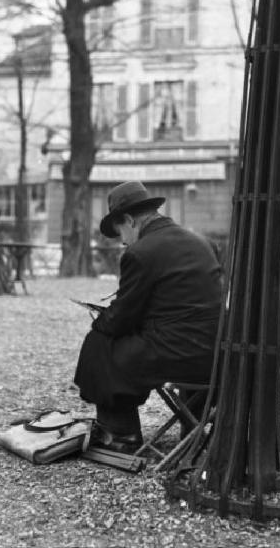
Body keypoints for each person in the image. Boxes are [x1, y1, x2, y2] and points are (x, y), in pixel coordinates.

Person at [74, 181, 222, 452]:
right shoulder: (203, 243)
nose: (122, 240)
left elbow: (122, 318)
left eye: (120, 231)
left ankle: (120, 435)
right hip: (216, 354)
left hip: (178, 354)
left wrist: (100, 320)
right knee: (149, 337)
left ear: (129, 220)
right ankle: (194, 431)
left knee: (100, 342)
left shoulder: (140, 252)